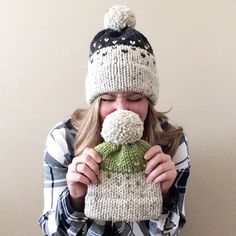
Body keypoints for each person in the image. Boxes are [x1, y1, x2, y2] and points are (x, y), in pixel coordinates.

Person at [38, 5, 190, 236]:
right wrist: (75, 197)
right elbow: (52, 232)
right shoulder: (63, 139)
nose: (121, 109)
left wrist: (166, 195)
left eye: (135, 97)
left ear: (149, 100)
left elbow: (170, 233)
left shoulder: (171, 142)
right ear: (95, 100)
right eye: (108, 98)